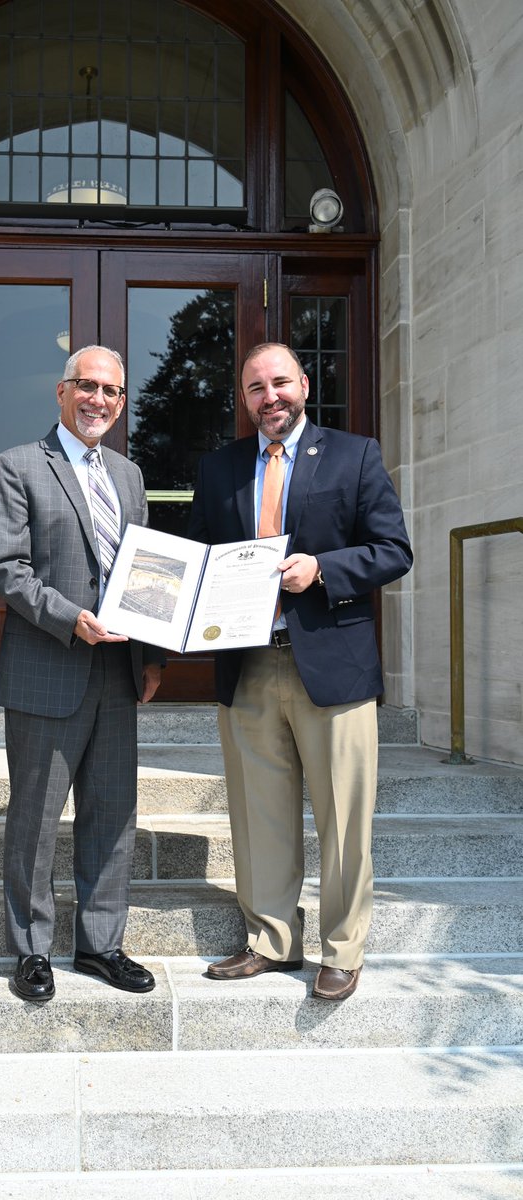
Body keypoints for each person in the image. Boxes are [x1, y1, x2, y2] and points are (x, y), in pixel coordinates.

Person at [188, 342, 412, 1001]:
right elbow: (200, 563)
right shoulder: (220, 467)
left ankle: (343, 948)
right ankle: (271, 940)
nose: (270, 396)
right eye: (256, 387)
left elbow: (393, 550)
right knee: (261, 815)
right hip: (249, 667)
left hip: (332, 667)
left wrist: (324, 570)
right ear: (245, 399)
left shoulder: (355, 455)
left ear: (304, 385)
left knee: (344, 817)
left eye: (280, 382)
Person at [0, 345, 163, 1003]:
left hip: (118, 671)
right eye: (87, 386)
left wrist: (153, 658)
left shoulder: (130, 473)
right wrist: (72, 618)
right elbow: (6, 567)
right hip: (49, 666)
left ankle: (100, 944)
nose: (99, 400)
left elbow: (147, 576)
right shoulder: (19, 466)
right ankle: (31, 949)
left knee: (112, 814)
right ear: (62, 392)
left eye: (112, 391)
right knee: (34, 818)